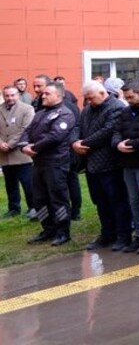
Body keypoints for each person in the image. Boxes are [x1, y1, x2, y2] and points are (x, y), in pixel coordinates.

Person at [20, 81, 78, 246]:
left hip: (56, 164)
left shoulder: (65, 114)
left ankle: (62, 232)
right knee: (39, 199)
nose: (42, 95)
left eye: (47, 93)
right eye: (42, 93)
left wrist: (34, 147)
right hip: (38, 164)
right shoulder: (39, 113)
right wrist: (24, 146)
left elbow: (55, 136)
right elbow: (27, 131)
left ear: (58, 96)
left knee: (58, 199)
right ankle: (48, 229)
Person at [73, 80, 128, 251]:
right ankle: (107, 233)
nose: (88, 102)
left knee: (117, 201)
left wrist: (84, 143)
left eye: (91, 98)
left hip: (110, 163)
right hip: (91, 163)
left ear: (103, 94)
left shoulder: (116, 107)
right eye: (86, 99)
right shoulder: (88, 109)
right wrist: (74, 142)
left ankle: (123, 235)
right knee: (100, 201)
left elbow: (107, 131)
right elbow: (77, 126)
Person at [114, 81, 139, 252]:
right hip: (127, 163)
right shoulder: (125, 111)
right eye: (126, 97)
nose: (128, 100)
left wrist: (131, 144)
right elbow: (116, 131)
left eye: (131, 97)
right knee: (134, 200)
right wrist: (117, 144)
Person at [1, 85, 35, 218]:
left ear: (18, 95)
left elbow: (25, 129)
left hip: (21, 153)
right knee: (10, 184)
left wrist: (9, 144)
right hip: (4, 154)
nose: (9, 98)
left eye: (12, 95)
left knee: (28, 183)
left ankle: (33, 207)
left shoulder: (27, 109)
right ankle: (14, 208)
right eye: (7, 95)